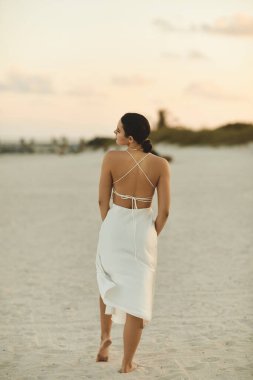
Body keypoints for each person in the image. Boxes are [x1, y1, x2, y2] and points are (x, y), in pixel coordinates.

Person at [95, 112, 170, 373]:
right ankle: (127, 363)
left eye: (117, 131)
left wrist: (111, 226)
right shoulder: (161, 164)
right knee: (138, 292)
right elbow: (164, 213)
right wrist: (150, 236)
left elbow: (103, 201)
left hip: (114, 226)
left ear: (129, 137)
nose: (115, 134)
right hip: (143, 230)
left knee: (107, 279)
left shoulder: (111, 158)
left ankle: (105, 338)